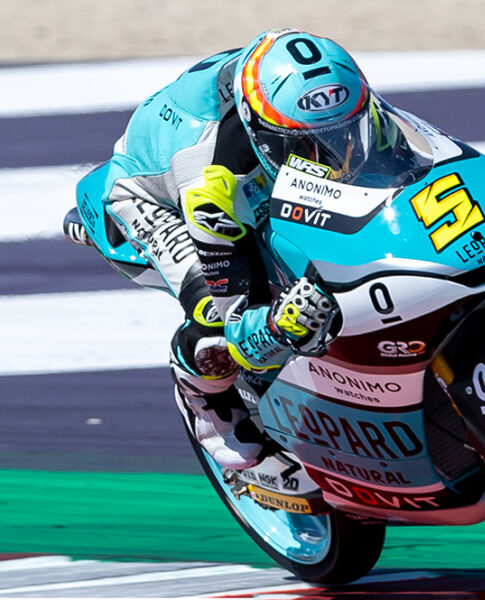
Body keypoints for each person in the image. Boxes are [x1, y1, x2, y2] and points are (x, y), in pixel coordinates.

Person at [74, 28, 430, 470]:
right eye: (304, 146)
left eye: (344, 133)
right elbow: (238, 323)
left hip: (238, 145)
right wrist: (279, 325)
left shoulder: (332, 99)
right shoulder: (209, 183)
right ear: (261, 132)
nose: (331, 155)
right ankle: (203, 397)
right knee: (211, 318)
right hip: (151, 196)